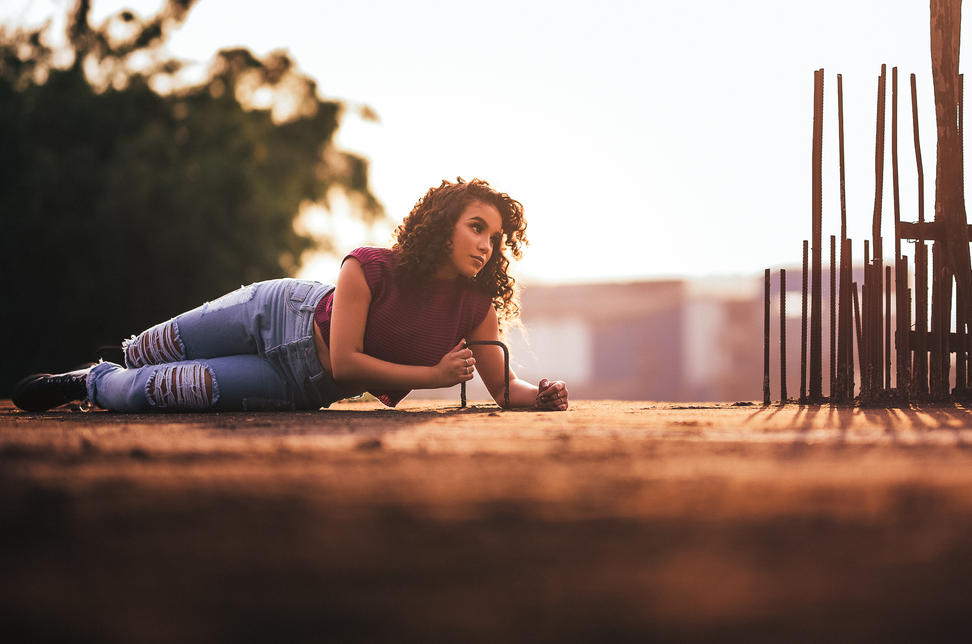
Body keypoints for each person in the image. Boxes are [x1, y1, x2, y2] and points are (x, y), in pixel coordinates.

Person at [13, 178, 569, 414]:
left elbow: (502, 387)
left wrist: (537, 395)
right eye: (477, 227)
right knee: (144, 352)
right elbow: (352, 359)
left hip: (300, 382)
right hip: (278, 314)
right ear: (443, 224)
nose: (486, 246)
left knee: (145, 393)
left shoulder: (476, 308)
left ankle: (88, 381)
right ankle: (111, 364)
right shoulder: (370, 267)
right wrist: (435, 377)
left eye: (496, 238)